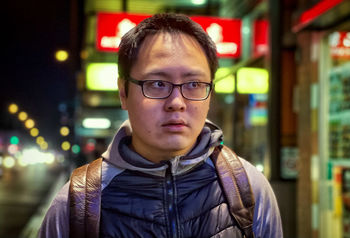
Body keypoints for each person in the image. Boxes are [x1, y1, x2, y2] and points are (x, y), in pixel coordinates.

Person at [39, 13, 283, 238]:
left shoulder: (248, 188)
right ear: (123, 92)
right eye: (157, 84)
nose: (176, 103)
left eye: (194, 84)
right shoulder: (77, 204)